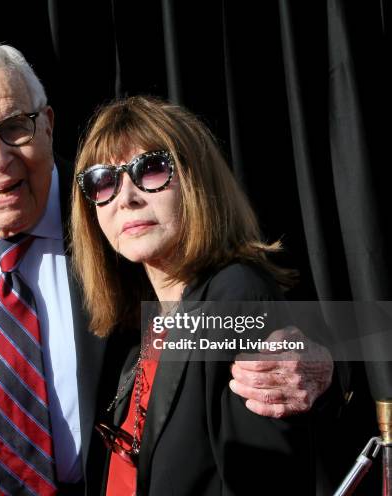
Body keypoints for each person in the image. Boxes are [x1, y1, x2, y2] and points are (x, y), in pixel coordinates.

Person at [0, 42, 332, 496]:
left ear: (46, 124)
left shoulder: (117, 217)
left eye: (15, 126)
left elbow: (262, 313)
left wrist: (327, 360)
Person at [71, 95, 320, 495]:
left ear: (196, 181)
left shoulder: (234, 292)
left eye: (150, 169)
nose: (126, 197)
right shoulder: (150, 323)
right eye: (104, 180)